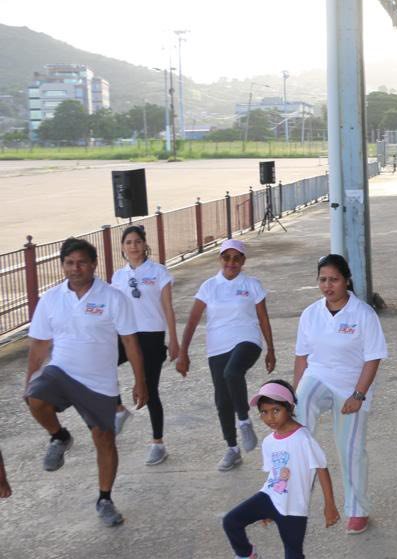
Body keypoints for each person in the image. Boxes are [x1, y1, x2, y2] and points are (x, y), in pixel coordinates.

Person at [24, 238, 146, 526]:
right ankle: (60, 436)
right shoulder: (51, 299)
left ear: (93, 265)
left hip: (99, 382)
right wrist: (30, 378)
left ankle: (105, 498)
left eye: (81, 262)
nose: (75, 268)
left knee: (104, 440)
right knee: (36, 398)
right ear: (62, 265)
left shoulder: (113, 297)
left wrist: (140, 382)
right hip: (61, 370)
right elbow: (40, 344)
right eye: (69, 262)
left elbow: (130, 342)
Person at [220, 380, 338, 559]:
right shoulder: (269, 442)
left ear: (289, 407)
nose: (269, 418)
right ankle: (247, 557)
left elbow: (322, 469)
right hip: (270, 497)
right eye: (263, 412)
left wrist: (330, 505)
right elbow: (273, 475)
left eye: (276, 410)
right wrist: (266, 511)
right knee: (231, 521)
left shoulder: (303, 438)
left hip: (294, 508)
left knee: (292, 556)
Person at [293, 255, 387, 535]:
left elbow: (373, 359)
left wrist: (358, 395)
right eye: (323, 279)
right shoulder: (310, 313)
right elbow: (301, 358)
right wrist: (293, 396)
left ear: (346, 280)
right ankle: (294, 486)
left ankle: (357, 510)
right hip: (318, 376)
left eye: (333, 279)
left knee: (351, 450)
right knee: (298, 415)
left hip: (351, 386)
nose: (327, 285)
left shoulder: (363, 314)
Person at [177, 239, 277, 472]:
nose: (231, 262)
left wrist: (271, 349)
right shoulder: (209, 286)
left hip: (247, 340)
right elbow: (192, 321)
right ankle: (232, 449)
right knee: (222, 400)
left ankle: (244, 420)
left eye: (236, 258)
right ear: (220, 259)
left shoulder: (252, 284)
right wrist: (183, 352)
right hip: (217, 347)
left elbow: (263, 318)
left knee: (232, 372)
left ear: (243, 261)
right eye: (226, 257)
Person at [109, 224, 178, 465]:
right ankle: (118, 408)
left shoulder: (159, 272)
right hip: (125, 336)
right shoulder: (118, 276)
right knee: (102, 364)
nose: (133, 246)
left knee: (150, 390)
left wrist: (174, 340)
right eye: (128, 242)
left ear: (145, 244)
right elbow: (113, 309)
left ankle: (158, 442)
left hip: (151, 336)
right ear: (122, 247)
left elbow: (168, 307)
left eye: (137, 241)